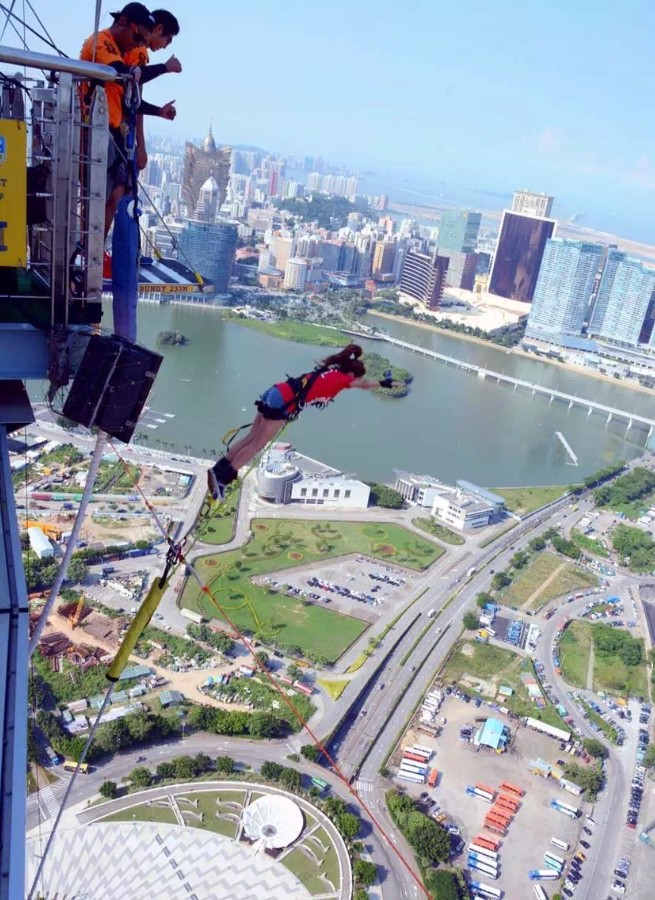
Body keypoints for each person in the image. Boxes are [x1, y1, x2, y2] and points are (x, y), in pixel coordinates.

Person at [207, 344, 400, 501]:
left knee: (251, 438)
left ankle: (217, 470)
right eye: (357, 378)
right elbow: (364, 385)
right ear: (352, 375)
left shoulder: (330, 371)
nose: (357, 382)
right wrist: (384, 383)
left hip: (276, 392)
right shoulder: (343, 378)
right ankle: (222, 480)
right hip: (283, 402)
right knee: (258, 444)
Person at [79, 3, 177, 238]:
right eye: (138, 37)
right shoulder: (105, 45)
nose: (139, 44)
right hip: (98, 128)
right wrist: (165, 68)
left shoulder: (122, 49)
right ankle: (88, 250)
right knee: (102, 197)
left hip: (112, 129)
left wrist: (158, 111)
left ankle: (94, 247)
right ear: (124, 23)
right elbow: (125, 77)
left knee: (112, 196)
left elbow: (130, 100)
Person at [124, 9, 182, 173]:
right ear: (158, 29)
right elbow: (135, 100)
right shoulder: (139, 51)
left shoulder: (133, 50)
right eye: (167, 40)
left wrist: (158, 111)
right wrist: (141, 145)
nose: (165, 46)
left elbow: (135, 100)